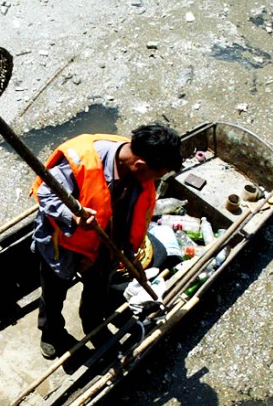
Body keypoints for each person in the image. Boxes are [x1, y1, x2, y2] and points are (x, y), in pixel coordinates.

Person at [31, 123, 183, 359]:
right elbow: (46, 193)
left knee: (97, 294)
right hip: (65, 243)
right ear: (140, 166)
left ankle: (94, 326)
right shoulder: (82, 159)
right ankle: (51, 333)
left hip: (107, 245)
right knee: (53, 294)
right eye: (157, 175)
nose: (156, 180)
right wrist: (72, 217)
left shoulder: (136, 168)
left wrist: (127, 251)